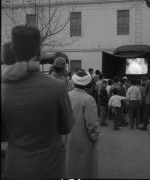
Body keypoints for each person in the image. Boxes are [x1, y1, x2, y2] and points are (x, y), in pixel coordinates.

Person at [1, 26, 74, 179]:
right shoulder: (57, 87)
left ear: (13, 50)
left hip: (14, 167)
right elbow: (66, 128)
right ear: (39, 51)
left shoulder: (3, 90)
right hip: (49, 168)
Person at [66, 69, 99, 178]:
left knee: (70, 166)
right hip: (84, 139)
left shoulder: (66, 96)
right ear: (88, 83)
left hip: (68, 138)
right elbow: (92, 124)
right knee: (83, 167)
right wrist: (94, 137)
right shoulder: (88, 99)